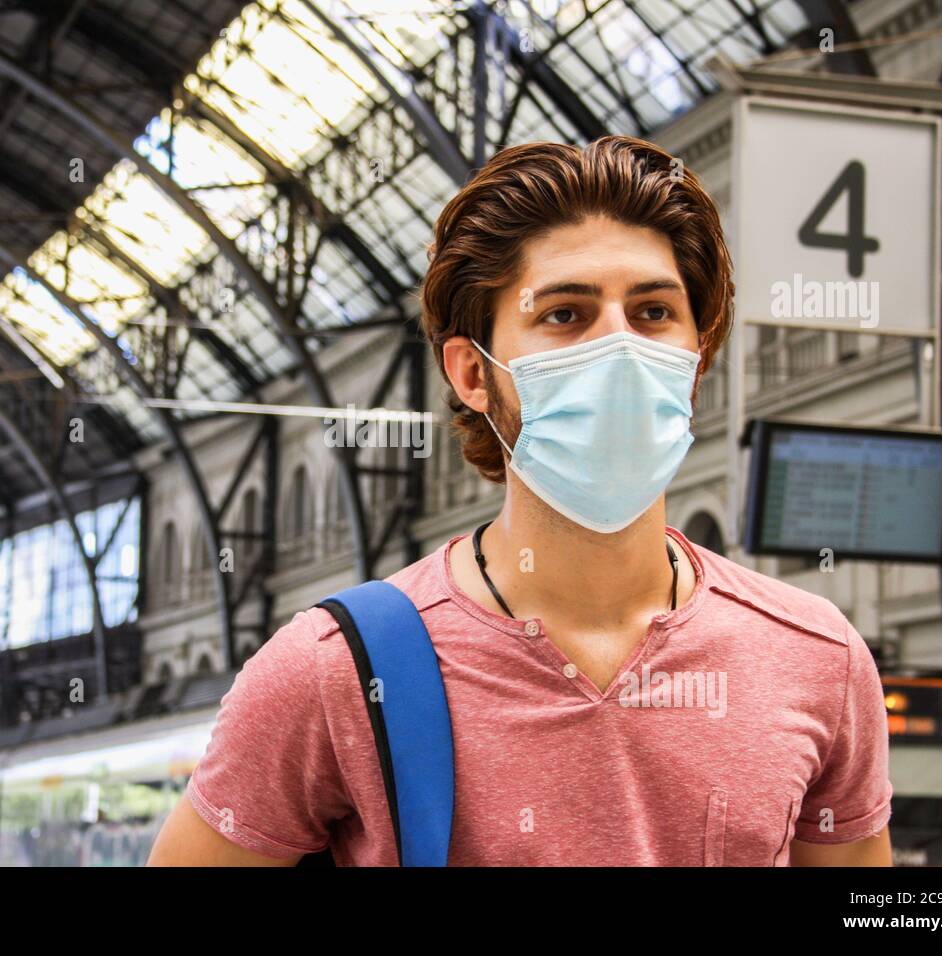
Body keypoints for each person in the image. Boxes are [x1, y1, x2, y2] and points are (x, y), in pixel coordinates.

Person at [148, 136, 893, 866]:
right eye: (565, 314)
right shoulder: (334, 669)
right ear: (474, 373)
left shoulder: (816, 656)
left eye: (654, 313)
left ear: (696, 357)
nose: (620, 348)